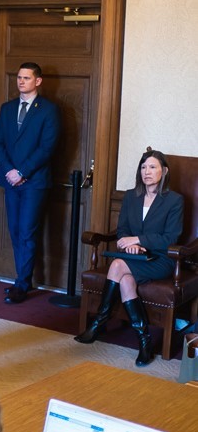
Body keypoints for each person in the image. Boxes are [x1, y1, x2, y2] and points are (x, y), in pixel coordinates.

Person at [75, 149, 183, 365]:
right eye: (143, 167)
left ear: (165, 171)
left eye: (152, 167)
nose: (147, 172)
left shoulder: (174, 200)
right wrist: (129, 243)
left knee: (116, 265)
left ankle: (99, 322)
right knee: (125, 279)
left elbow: (171, 237)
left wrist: (139, 241)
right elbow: (122, 229)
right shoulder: (131, 197)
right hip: (133, 258)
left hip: (161, 259)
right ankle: (144, 341)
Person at [0, 62, 60, 305]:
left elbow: (47, 147)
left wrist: (22, 171)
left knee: (28, 232)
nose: (21, 82)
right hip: (11, 180)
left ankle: (22, 283)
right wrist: (10, 170)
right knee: (15, 230)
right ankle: (23, 279)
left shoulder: (48, 110)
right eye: (19, 77)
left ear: (38, 81)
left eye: (26, 78)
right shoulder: (7, 108)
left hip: (34, 181)